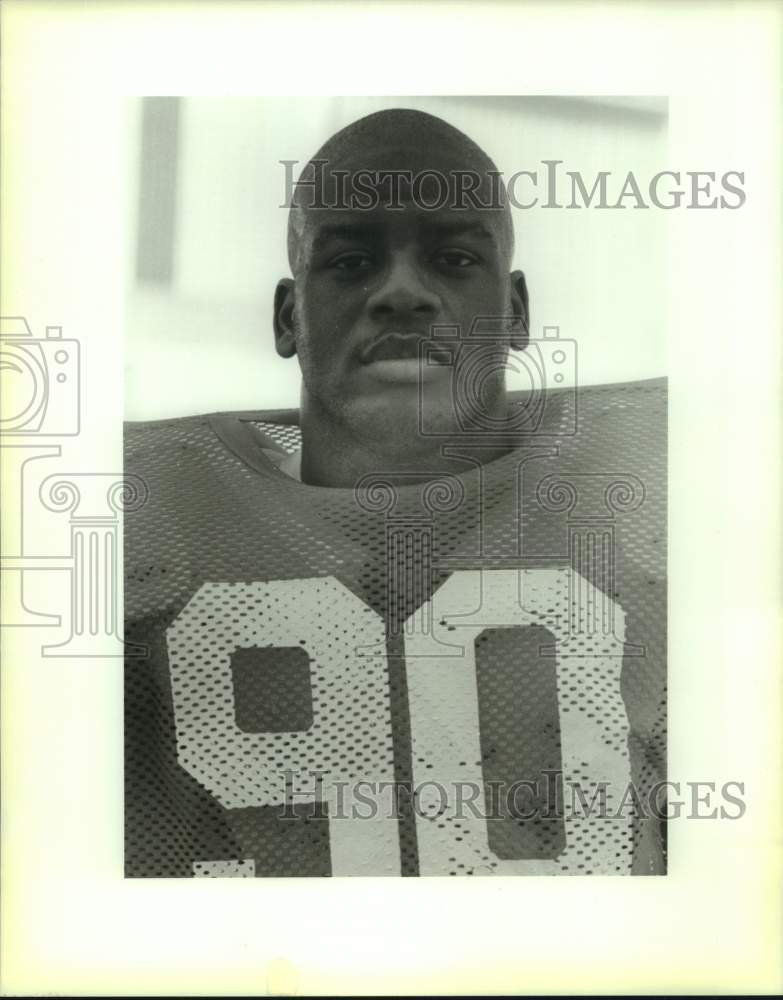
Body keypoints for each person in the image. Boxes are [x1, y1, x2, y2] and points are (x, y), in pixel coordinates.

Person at [124, 108, 667, 878]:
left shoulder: (671, 501)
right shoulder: (124, 526)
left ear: (515, 313)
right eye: (349, 262)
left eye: (451, 258)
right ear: (287, 316)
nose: (403, 292)